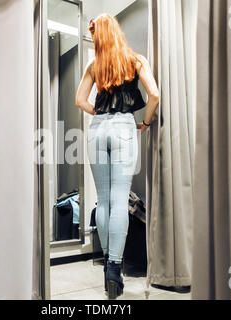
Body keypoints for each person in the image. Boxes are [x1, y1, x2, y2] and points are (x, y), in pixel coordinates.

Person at [75, 13, 159, 299]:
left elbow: (80, 100)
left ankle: (106, 268)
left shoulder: (93, 64)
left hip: (97, 130)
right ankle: (114, 267)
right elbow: (155, 95)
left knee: (104, 200)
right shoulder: (136, 60)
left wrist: (97, 114)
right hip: (124, 126)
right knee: (120, 199)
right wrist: (145, 123)